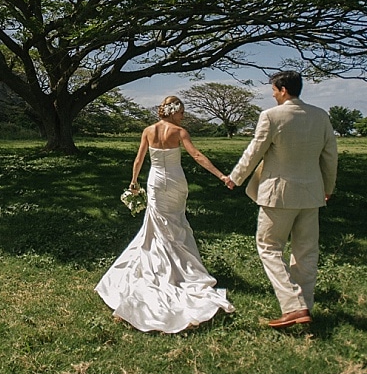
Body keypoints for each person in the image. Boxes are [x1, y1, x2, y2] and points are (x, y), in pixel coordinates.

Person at [95, 96, 235, 333]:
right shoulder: (179, 132)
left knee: (159, 225)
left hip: (156, 183)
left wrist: (133, 182)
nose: (183, 116)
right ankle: (178, 268)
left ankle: (160, 265)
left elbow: (139, 158)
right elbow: (197, 156)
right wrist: (221, 176)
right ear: (174, 111)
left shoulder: (148, 131)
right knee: (176, 223)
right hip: (176, 182)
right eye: (182, 112)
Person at [226, 71, 338, 328]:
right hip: (312, 194)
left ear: (283, 89)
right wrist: (328, 187)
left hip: (278, 194)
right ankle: (304, 307)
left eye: (274, 90)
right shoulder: (321, 116)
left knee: (268, 246)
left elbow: (255, 150)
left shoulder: (271, 116)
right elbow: (330, 156)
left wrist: (236, 177)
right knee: (306, 253)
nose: (273, 95)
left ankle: (294, 306)